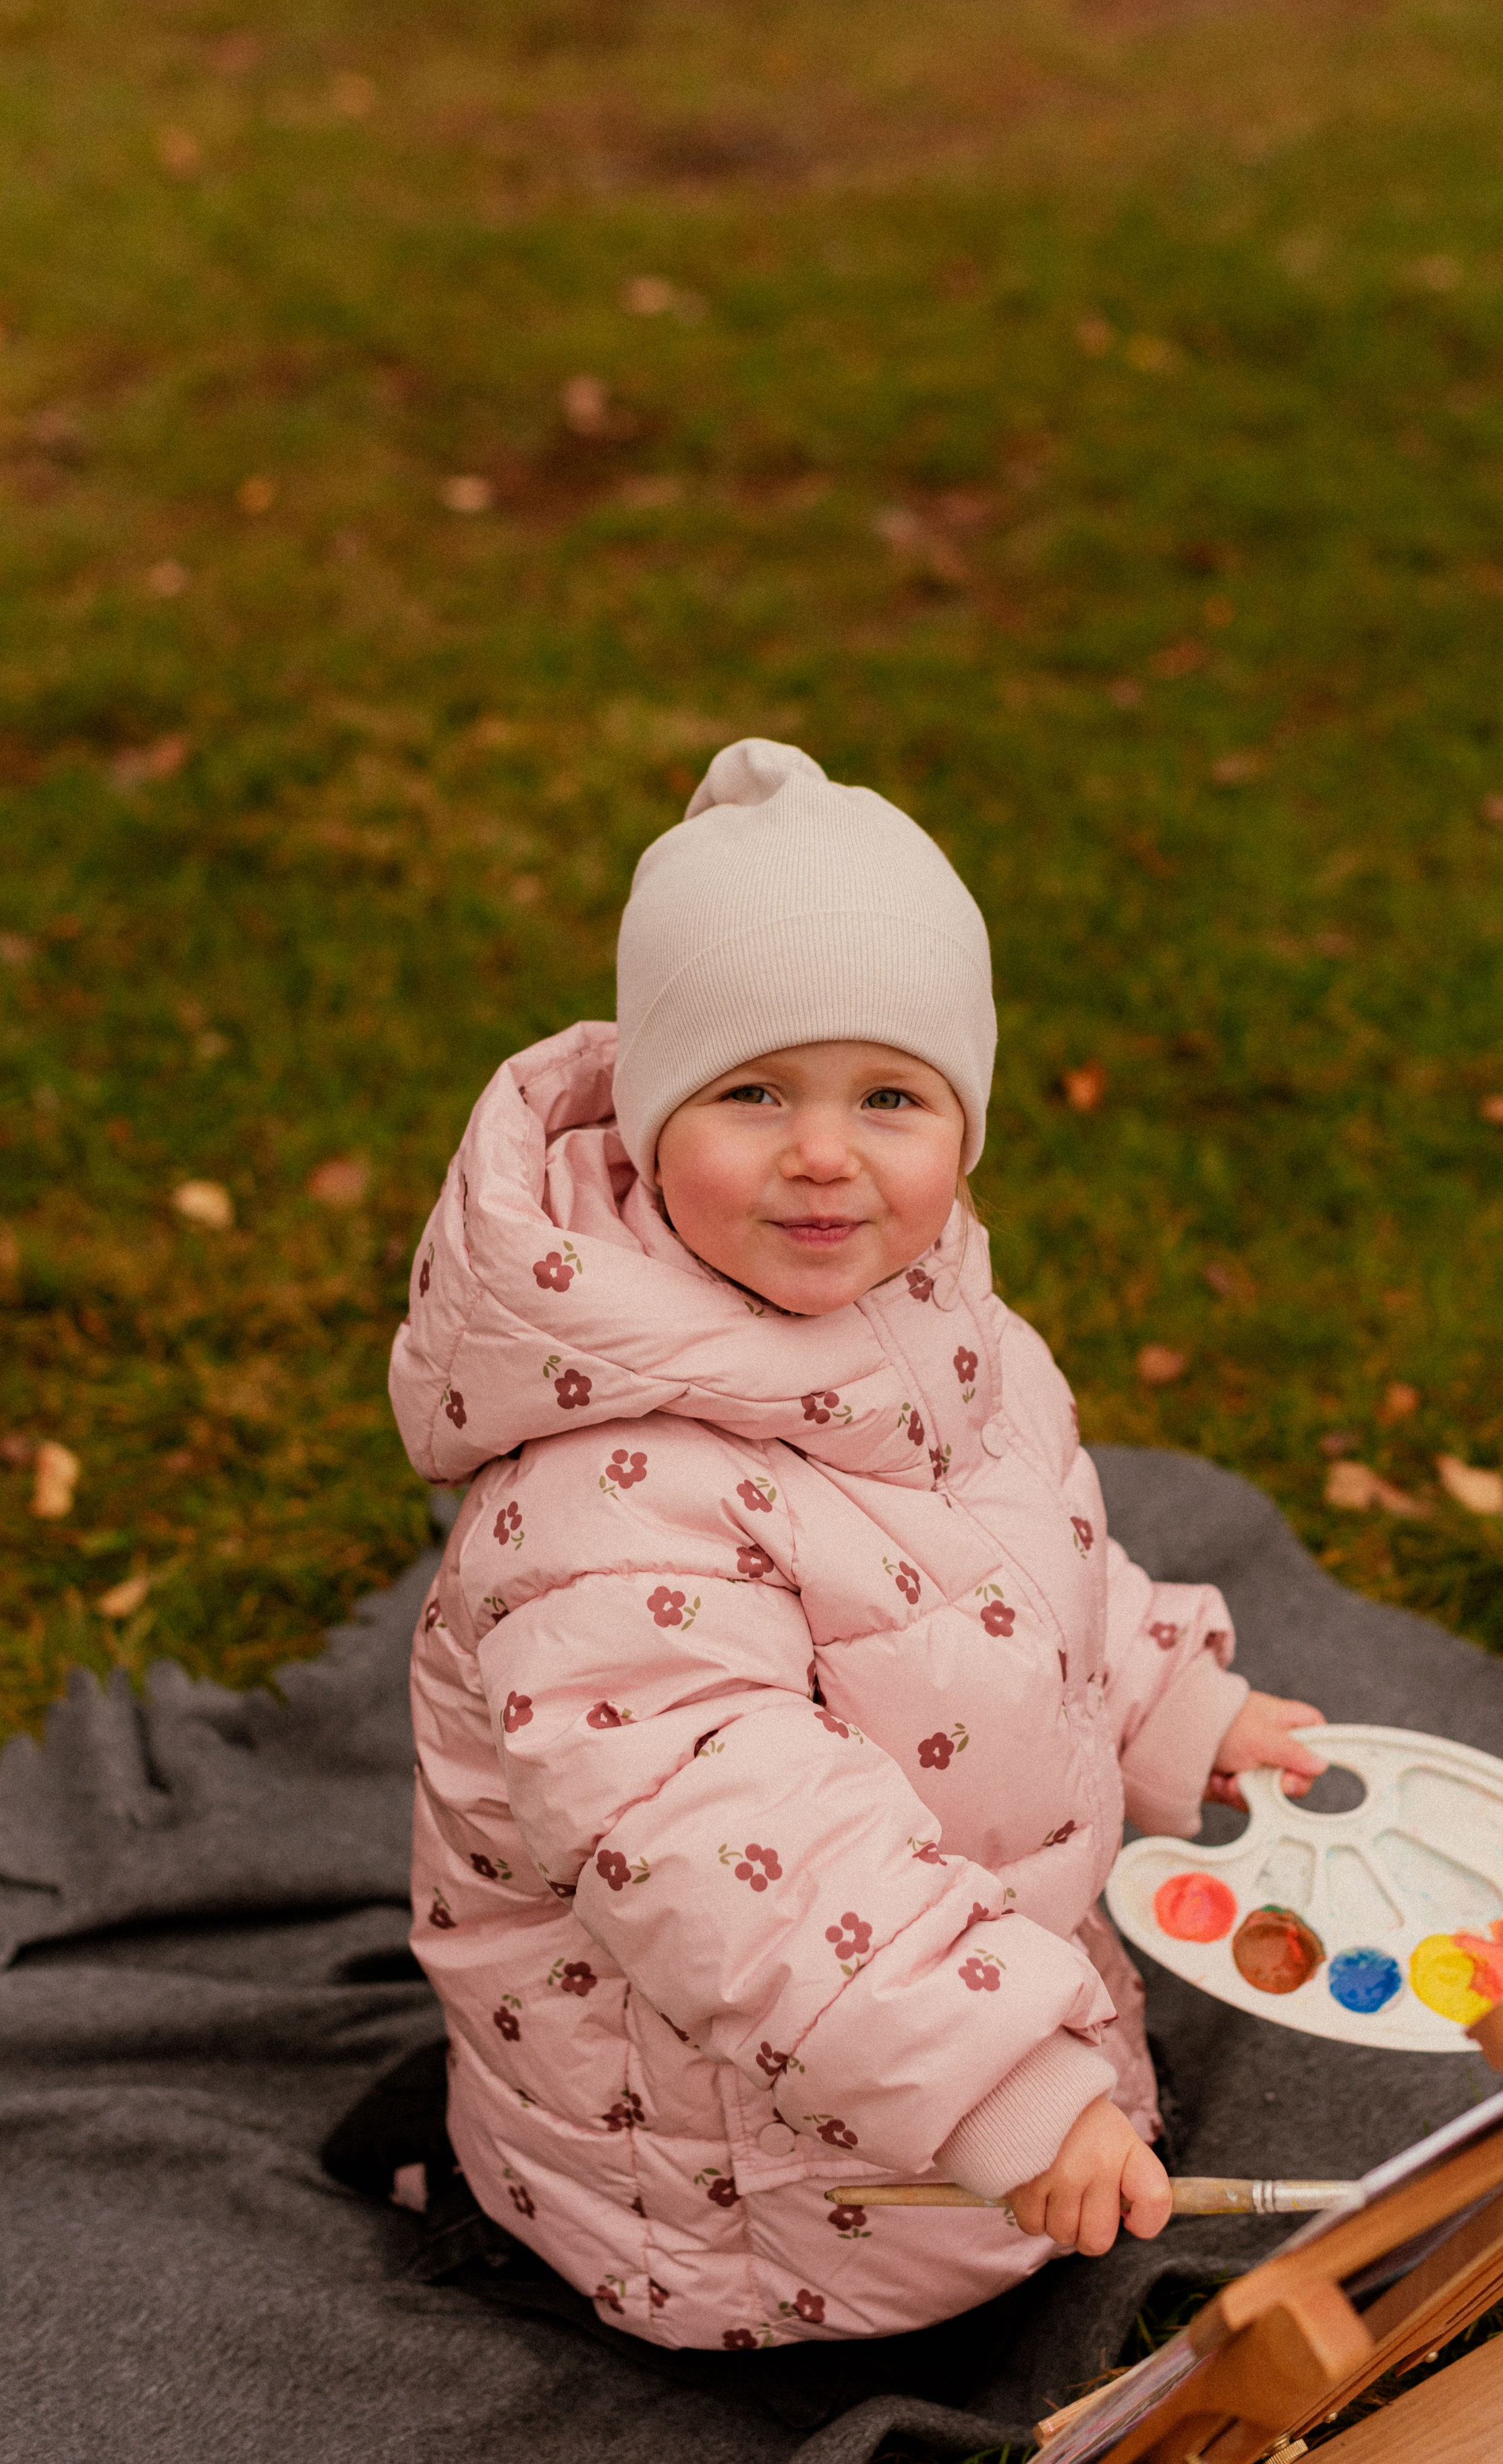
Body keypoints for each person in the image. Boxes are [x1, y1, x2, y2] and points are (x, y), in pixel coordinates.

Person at [389, 739, 1324, 2356]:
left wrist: (1166, 1702)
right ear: (651, 1119)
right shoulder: (605, 1508)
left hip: (941, 2029)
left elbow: (1030, 1570)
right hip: (753, 2189)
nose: (823, 1153)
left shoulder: (940, 1326)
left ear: (965, 1128)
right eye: (753, 1093)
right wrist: (1007, 2090)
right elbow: (735, 1859)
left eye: (886, 1097)